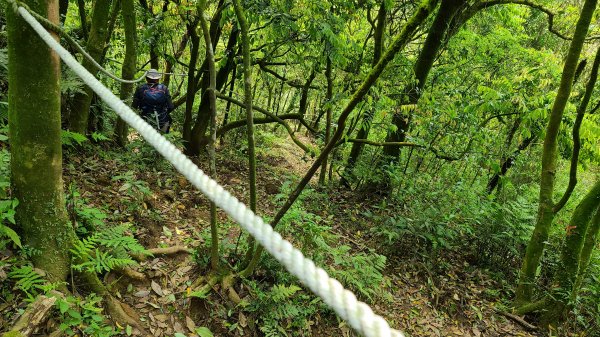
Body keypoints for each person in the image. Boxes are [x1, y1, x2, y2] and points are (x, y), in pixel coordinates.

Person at [132, 69, 174, 133]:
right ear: (158, 79)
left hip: (146, 121)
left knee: (149, 141)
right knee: (162, 139)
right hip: (163, 121)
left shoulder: (140, 88)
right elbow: (171, 107)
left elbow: (134, 107)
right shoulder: (164, 88)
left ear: (146, 78)